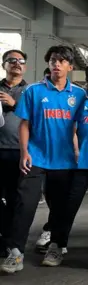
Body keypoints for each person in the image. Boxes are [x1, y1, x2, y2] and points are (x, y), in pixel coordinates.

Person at [1, 46, 86, 274]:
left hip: (64, 161)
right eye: (53, 60)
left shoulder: (78, 95)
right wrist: (25, 152)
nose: (56, 64)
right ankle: (15, 252)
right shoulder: (34, 91)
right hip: (35, 158)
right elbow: (24, 124)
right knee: (24, 205)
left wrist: (78, 152)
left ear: (70, 66)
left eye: (61, 61)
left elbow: (79, 127)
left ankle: (57, 246)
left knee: (60, 208)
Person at [37, 64, 88, 266]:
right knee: (67, 207)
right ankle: (56, 246)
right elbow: (68, 126)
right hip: (80, 163)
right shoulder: (79, 99)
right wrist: (74, 148)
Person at [0, 50, 28, 257]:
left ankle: (10, 242)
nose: (17, 64)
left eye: (21, 61)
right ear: (4, 65)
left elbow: (36, 118)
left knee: (15, 199)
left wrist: (14, 104)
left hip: (18, 153)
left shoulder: (30, 91)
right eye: (12, 60)